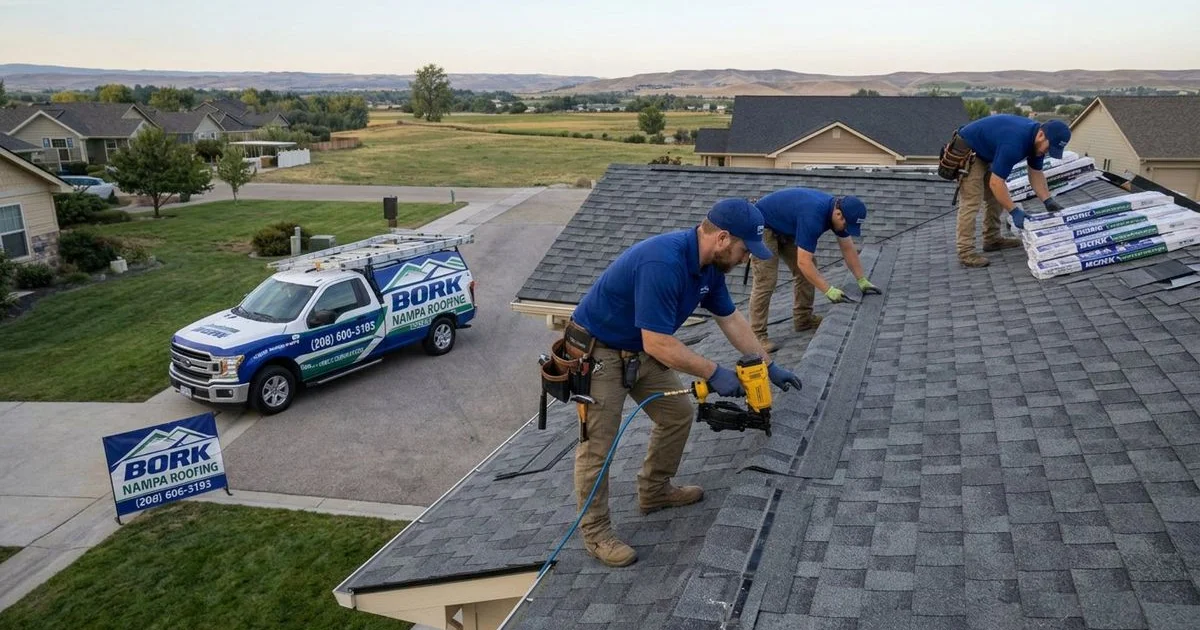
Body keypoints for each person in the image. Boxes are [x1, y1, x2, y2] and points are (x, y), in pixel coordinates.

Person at [565, 198, 803, 567]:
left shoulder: (709, 268)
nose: (745, 259)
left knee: (677, 414)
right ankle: (595, 533)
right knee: (598, 446)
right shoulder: (664, 262)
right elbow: (658, 342)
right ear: (722, 238)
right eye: (743, 250)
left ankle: (655, 491)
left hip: (640, 351)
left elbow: (732, 319)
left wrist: (767, 365)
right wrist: (712, 371)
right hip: (600, 355)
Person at [748, 188, 878, 353]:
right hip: (762, 226)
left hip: (784, 227)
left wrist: (862, 280)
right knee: (766, 279)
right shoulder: (814, 216)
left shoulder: (837, 212)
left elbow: (847, 248)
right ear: (839, 214)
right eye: (846, 224)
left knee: (809, 268)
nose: (845, 228)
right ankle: (756, 338)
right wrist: (829, 291)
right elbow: (803, 262)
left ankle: (803, 319)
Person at [953, 115, 1072, 267]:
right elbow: (996, 183)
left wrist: (1048, 201)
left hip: (987, 151)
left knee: (996, 198)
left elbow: (1035, 173)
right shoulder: (1014, 143)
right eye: (1048, 148)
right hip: (969, 150)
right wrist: (1014, 211)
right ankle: (966, 252)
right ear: (1041, 135)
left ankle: (992, 239)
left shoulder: (1037, 144)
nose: (1047, 152)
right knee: (972, 201)